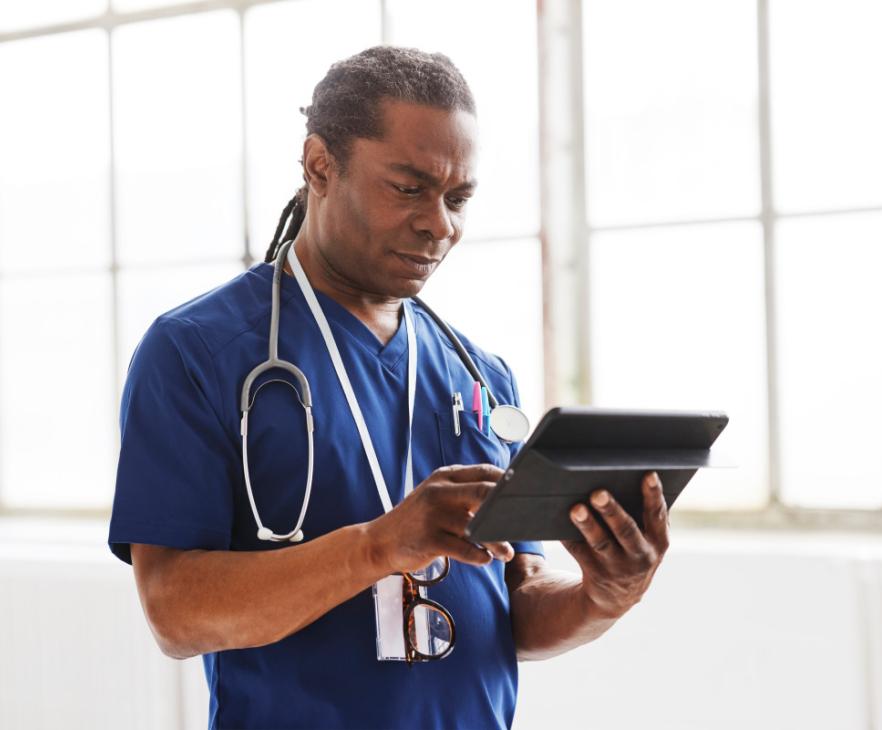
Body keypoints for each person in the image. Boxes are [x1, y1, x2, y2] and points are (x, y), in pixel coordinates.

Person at [108, 46, 669, 730]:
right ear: (319, 165)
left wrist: (602, 596)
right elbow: (174, 612)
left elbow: (517, 597)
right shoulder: (199, 351)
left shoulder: (480, 375)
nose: (441, 224)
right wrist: (378, 546)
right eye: (409, 188)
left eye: (458, 198)